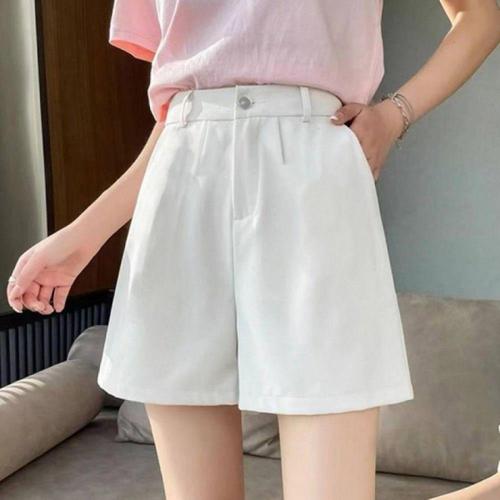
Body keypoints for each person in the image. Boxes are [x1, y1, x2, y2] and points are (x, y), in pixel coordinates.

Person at [6, 1, 499, 499]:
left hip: (313, 167)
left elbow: (482, 16)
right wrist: (83, 236)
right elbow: (183, 107)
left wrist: (394, 116)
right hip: (181, 178)